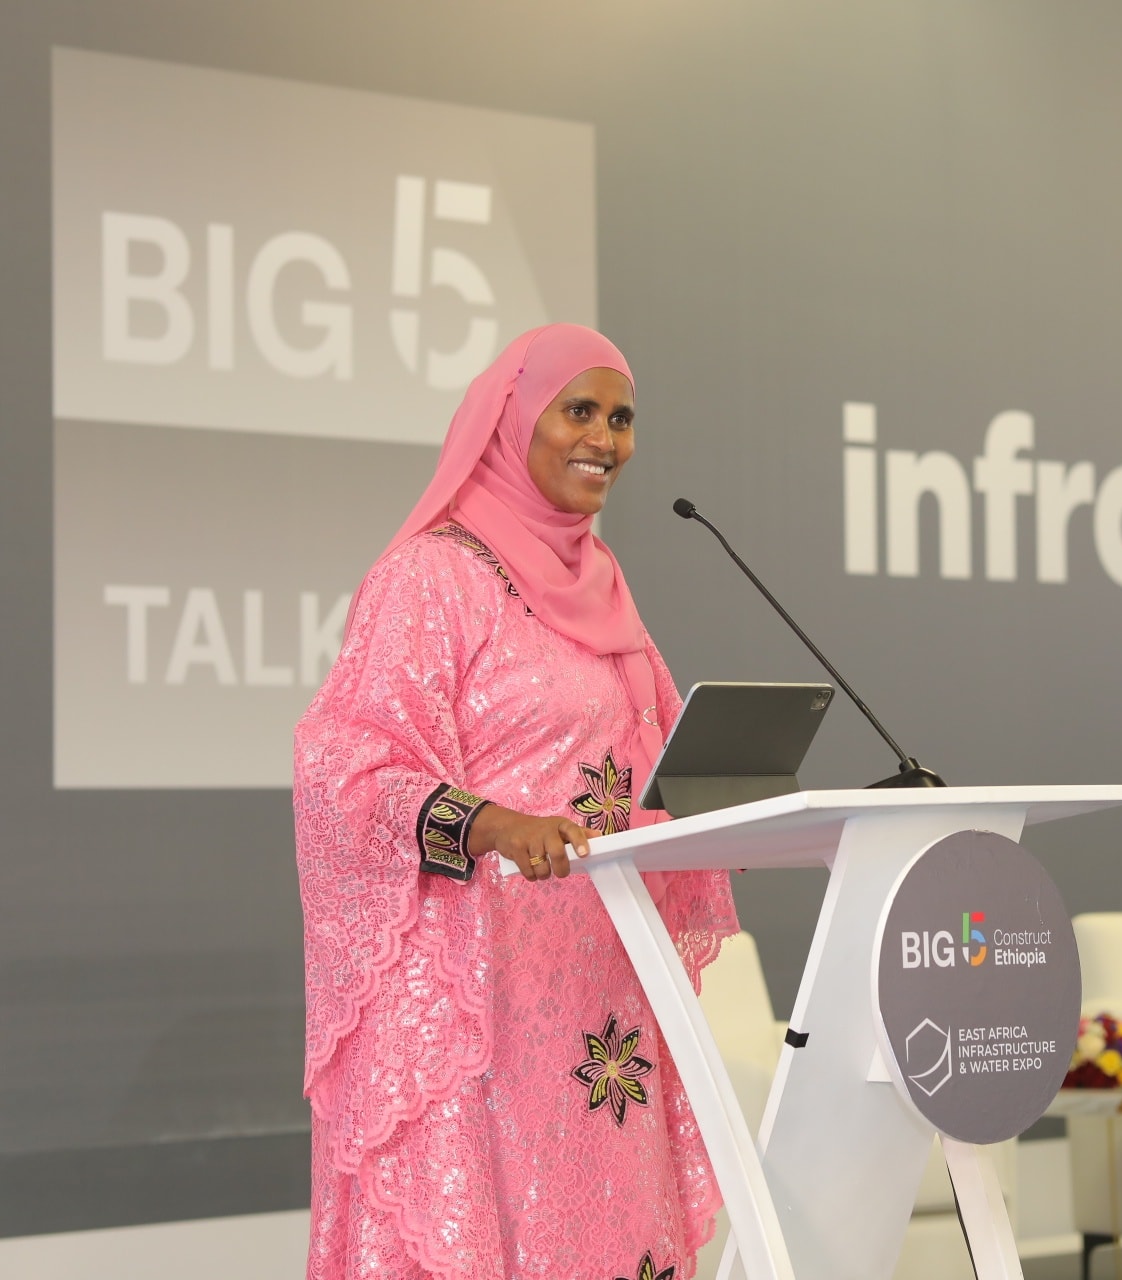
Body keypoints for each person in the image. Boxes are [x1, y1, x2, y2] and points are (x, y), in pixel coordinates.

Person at [294, 324, 739, 1280]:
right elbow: (348, 772)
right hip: (487, 1003)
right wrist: (496, 825)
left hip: (603, 989)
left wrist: (731, 797)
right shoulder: (432, 577)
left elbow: (650, 762)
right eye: (579, 411)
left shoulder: (604, 589)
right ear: (512, 420)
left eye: (622, 418)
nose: (605, 440)